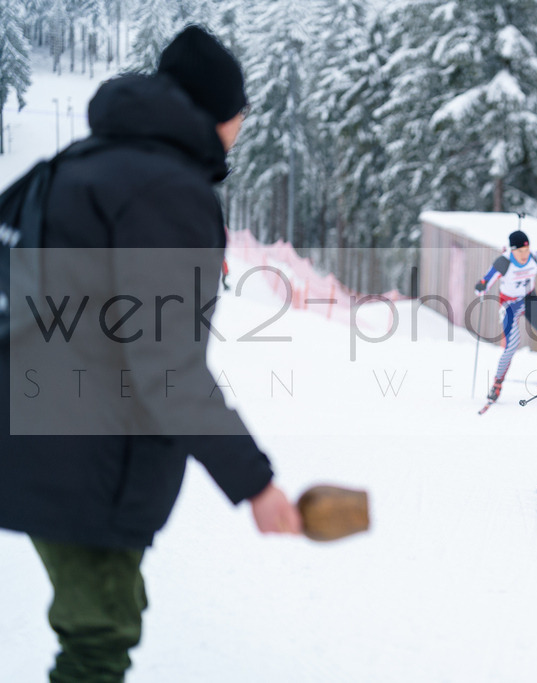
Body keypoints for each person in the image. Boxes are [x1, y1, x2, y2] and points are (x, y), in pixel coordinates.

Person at [0, 25, 302, 682]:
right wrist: (253, 481)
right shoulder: (167, 192)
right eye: (240, 115)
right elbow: (167, 364)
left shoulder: (74, 166)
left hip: (40, 442)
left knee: (110, 611)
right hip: (87, 456)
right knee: (98, 641)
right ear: (220, 114)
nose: (241, 129)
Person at [474, 229, 537, 401]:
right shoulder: (503, 262)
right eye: (520, 251)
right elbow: (484, 284)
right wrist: (481, 287)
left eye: (526, 250)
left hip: (530, 300)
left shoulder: (536, 257)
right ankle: (497, 384)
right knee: (512, 345)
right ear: (512, 250)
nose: (524, 254)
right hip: (509, 304)